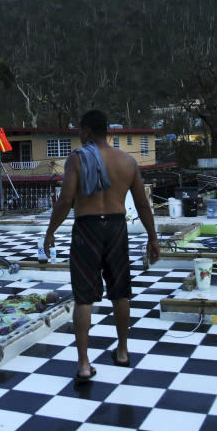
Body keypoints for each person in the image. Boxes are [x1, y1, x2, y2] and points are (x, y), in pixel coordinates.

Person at [44, 110, 160, 385]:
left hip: (88, 228)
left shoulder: (77, 159)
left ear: (86, 130)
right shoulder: (127, 161)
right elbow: (143, 204)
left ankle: (84, 364)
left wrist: (50, 232)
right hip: (117, 227)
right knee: (120, 292)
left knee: (84, 297)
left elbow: (65, 200)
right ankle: (122, 351)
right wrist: (153, 237)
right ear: (107, 130)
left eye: (78, 130)